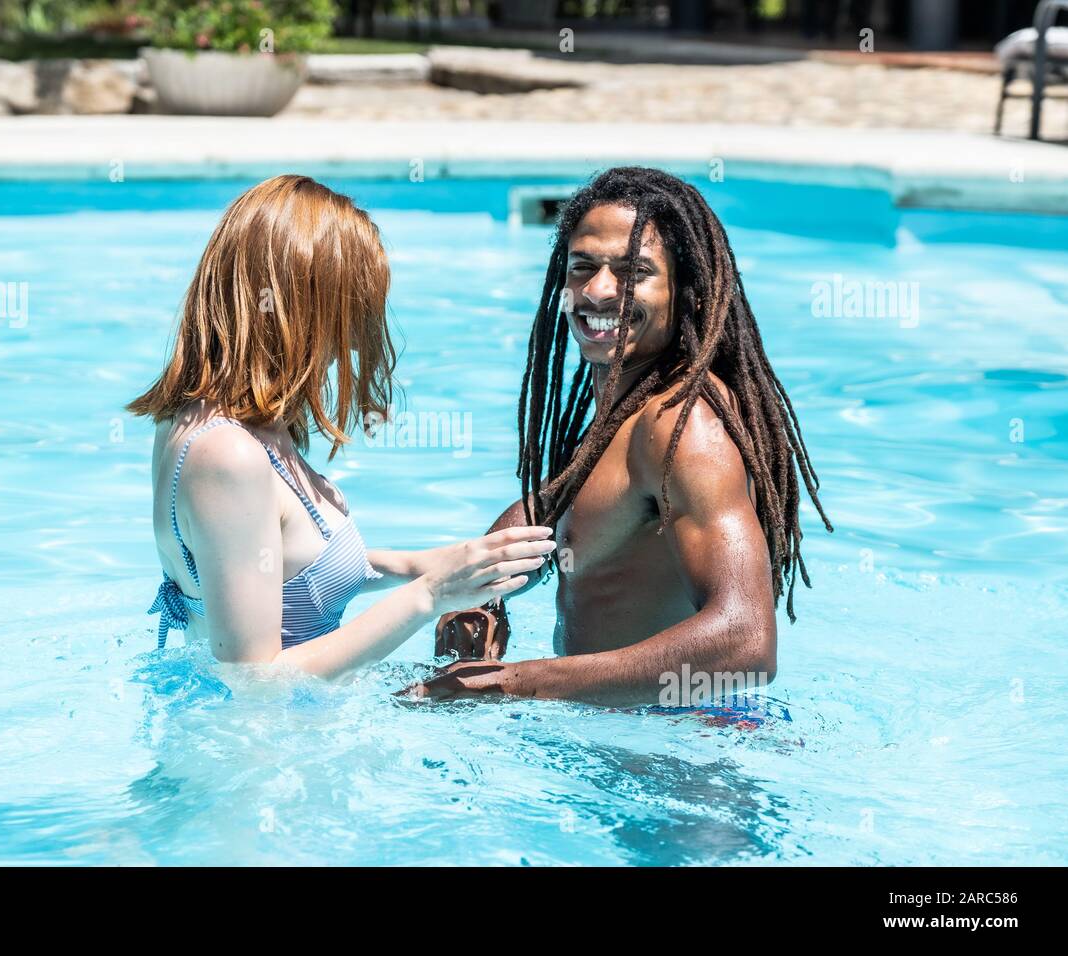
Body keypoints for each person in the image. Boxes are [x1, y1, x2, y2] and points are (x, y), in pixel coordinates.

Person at [408, 167, 832, 705]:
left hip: (691, 758)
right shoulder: (622, 410)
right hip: (633, 746)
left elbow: (746, 644)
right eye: (583, 267)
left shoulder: (682, 424)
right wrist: (480, 600)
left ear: (687, 292)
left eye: (634, 272)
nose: (599, 290)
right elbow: (570, 510)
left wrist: (512, 683)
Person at [127, 175, 555, 679]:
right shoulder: (228, 455)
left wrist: (421, 565)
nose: (357, 338)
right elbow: (252, 681)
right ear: (302, 308)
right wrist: (430, 597)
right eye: (353, 308)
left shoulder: (210, 421)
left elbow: (277, 563)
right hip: (265, 754)